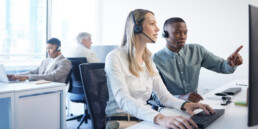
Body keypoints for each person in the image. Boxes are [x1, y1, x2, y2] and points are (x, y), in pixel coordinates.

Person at [105, 9, 214, 129]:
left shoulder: (147, 59)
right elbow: (123, 99)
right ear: (137, 28)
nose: (157, 29)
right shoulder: (115, 57)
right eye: (152, 24)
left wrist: (185, 105)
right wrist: (160, 118)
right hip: (122, 122)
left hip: (144, 121)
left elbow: (163, 95)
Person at [153, 17, 243, 103]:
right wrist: (181, 98)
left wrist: (231, 64)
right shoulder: (155, 60)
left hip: (194, 106)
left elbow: (222, 66)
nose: (183, 36)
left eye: (185, 33)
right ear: (165, 35)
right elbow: (154, 96)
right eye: (178, 32)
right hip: (169, 109)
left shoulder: (197, 50)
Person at [7, 38, 72, 83]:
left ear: (58, 48)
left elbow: (52, 77)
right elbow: (33, 72)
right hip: (40, 86)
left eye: (50, 48)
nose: (48, 51)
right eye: (47, 48)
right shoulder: (46, 61)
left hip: (54, 90)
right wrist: (16, 75)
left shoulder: (65, 62)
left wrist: (26, 77)